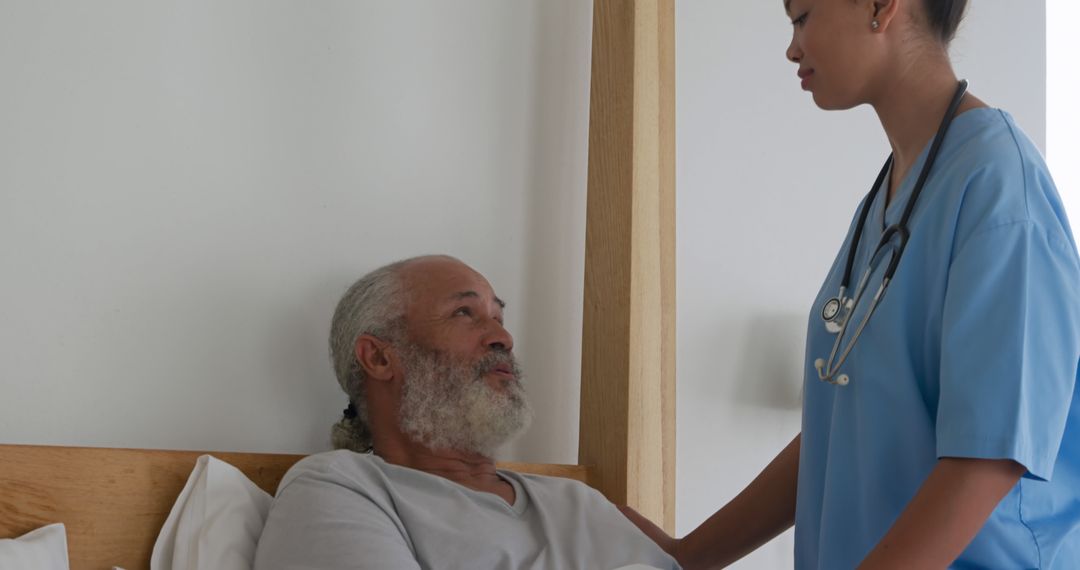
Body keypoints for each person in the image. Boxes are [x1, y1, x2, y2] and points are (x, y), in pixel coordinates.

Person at [622, 0, 1080, 568]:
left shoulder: (999, 188)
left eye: (802, 16)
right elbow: (838, 431)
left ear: (881, 6)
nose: (792, 48)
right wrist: (684, 557)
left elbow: (987, 461)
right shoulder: (892, 195)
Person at [252, 255, 680, 570]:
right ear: (380, 358)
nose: (504, 337)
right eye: (465, 313)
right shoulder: (339, 488)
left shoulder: (575, 502)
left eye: (498, 316)